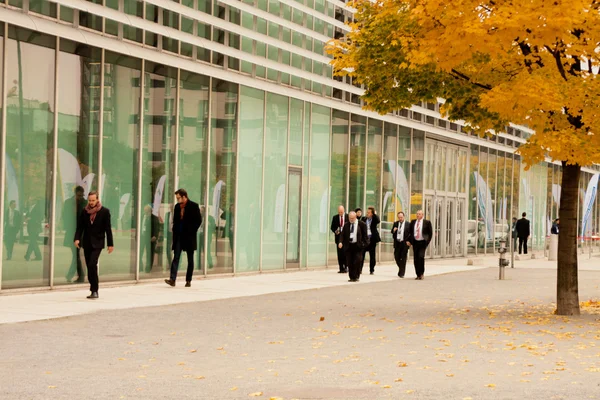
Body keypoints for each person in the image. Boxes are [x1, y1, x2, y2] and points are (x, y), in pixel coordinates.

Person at [74, 191, 114, 299]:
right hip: (87, 242)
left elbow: (108, 229)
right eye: (90, 200)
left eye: (93, 200)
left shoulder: (104, 212)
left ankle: (95, 290)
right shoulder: (84, 212)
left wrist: (110, 244)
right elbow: (80, 227)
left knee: (92, 264)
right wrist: (77, 238)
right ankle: (92, 288)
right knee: (89, 266)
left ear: (97, 199)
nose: (91, 202)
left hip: (98, 243)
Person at [165, 189, 202, 287]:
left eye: (178, 198)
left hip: (189, 237)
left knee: (190, 259)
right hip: (179, 236)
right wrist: (174, 230)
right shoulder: (177, 207)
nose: (177, 200)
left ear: (184, 196)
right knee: (176, 257)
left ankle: (188, 280)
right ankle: (172, 279)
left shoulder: (194, 206)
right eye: (177, 198)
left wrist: (192, 230)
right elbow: (175, 221)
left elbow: (198, 220)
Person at [64, 186, 85, 283]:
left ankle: (78, 275)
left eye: (82, 195)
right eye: (79, 195)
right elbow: (65, 216)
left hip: (81, 233)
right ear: (75, 193)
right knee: (75, 255)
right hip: (71, 232)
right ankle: (79, 275)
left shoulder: (85, 203)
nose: (80, 197)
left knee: (76, 255)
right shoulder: (68, 203)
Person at [340, 211, 368, 282]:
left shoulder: (362, 224)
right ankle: (351, 277)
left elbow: (365, 236)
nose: (351, 219)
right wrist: (340, 242)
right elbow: (342, 235)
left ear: (355, 217)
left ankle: (356, 276)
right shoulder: (346, 225)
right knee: (349, 262)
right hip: (349, 246)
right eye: (350, 218)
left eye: (352, 218)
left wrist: (363, 244)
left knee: (357, 261)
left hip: (357, 246)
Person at [408, 210, 433, 280]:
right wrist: (409, 241)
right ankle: (418, 274)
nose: (418, 215)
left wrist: (427, 242)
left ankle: (421, 273)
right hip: (415, 242)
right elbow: (410, 232)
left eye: (419, 214)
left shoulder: (427, 222)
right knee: (416, 258)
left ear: (422, 215)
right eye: (417, 214)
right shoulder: (413, 222)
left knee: (421, 257)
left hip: (422, 242)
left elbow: (430, 233)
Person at [140, 205, 160, 273]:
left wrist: (155, 236)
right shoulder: (142, 216)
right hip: (142, 236)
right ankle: (140, 267)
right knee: (140, 252)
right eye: (144, 210)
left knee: (150, 253)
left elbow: (157, 227)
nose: (145, 211)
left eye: (146, 210)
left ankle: (148, 268)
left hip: (150, 238)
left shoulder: (154, 217)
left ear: (150, 210)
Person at [392, 211, 411, 278]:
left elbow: (411, 234)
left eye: (401, 217)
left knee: (403, 258)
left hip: (404, 243)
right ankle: (401, 268)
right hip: (397, 242)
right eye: (399, 217)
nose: (400, 218)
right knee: (396, 256)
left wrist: (409, 242)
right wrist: (394, 230)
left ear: (404, 217)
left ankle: (402, 273)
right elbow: (392, 232)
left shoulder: (408, 224)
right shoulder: (396, 223)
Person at [362, 207, 381, 275]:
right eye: (367, 212)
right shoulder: (364, 219)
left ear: (372, 214)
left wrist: (374, 214)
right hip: (365, 239)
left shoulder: (374, 219)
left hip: (372, 239)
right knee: (362, 254)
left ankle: (371, 270)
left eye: (369, 212)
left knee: (372, 255)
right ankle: (360, 269)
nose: (367, 213)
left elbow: (378, 220)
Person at [330, 205, 348, 274]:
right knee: (340, 253)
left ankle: (346, 266)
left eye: (341, 212)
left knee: (345, 253)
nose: (340, 213)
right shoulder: (335, 217)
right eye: (339, 212)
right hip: (338, 237)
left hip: (345, 238)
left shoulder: (347, 216)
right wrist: (335, 231)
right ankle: (341, 268)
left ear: (344, 211)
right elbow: (332, 227)